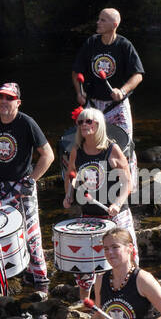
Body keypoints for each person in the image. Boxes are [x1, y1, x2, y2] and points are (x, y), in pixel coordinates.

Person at [0, 82, 55, 297]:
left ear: (18, 102)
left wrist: (31, 180)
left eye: (9, 98)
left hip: (21, 184)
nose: (4, 102)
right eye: (1, 98)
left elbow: (48, 155)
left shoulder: (26, 123)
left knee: (31, 231)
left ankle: (40, 278)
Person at [64, 106, 135, 300]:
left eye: (89, 121)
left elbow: (128, 181)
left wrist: (118, 204)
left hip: (115, 214)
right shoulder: (76, 151)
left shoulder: (112, 149)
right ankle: (85, 305)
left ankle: (130, 297)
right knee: (86, 264)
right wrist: (68, 194)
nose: (85, 125)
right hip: (89, 215)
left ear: (99, 125)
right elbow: (70, 174)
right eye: (81, 122)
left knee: (125, 259)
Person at [71, 8, 145, 178]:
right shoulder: (91, 43)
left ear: (114, 24)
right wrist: (79, 93)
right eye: (99, 19)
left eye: (103, 20)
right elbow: (76, 72)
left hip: (116, 106)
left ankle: (128, 186)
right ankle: (94, 182)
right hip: (93, 105)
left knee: (125, 145)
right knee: (89, 144)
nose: (98, 23)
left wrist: (123, 90)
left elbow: (138, 75)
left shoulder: (124, 45)